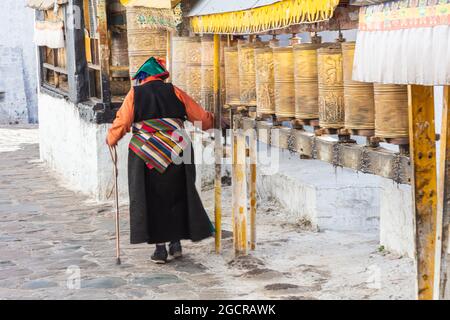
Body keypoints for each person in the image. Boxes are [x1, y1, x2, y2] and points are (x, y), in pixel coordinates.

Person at [106, 56, 215, 264]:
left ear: (143, 78)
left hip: (145, 154)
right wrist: (213, 121)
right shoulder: (174, 91)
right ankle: (175, 244)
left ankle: (160, 249)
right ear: (160, 77)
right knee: (177, 195)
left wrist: (111, 138)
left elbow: (123, 121)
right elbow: (200, 117)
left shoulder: (134, 95)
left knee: (153, 198)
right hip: (177, 151)